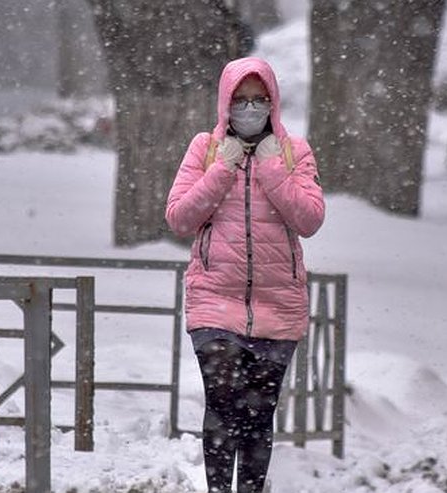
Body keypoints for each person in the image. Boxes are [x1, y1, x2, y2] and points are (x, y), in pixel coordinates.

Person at [165, 57, 325, 493]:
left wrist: (273, 168)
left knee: (257, 413)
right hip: (215, 301)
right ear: (225, 103)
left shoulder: (295, 151)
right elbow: (179, 217)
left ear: (273, 103)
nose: (250, 109)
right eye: (241, 100)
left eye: (260, 100)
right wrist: (223, 168)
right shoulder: (206, 149)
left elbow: (310, 219)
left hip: (277, 307)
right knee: (222, 400)